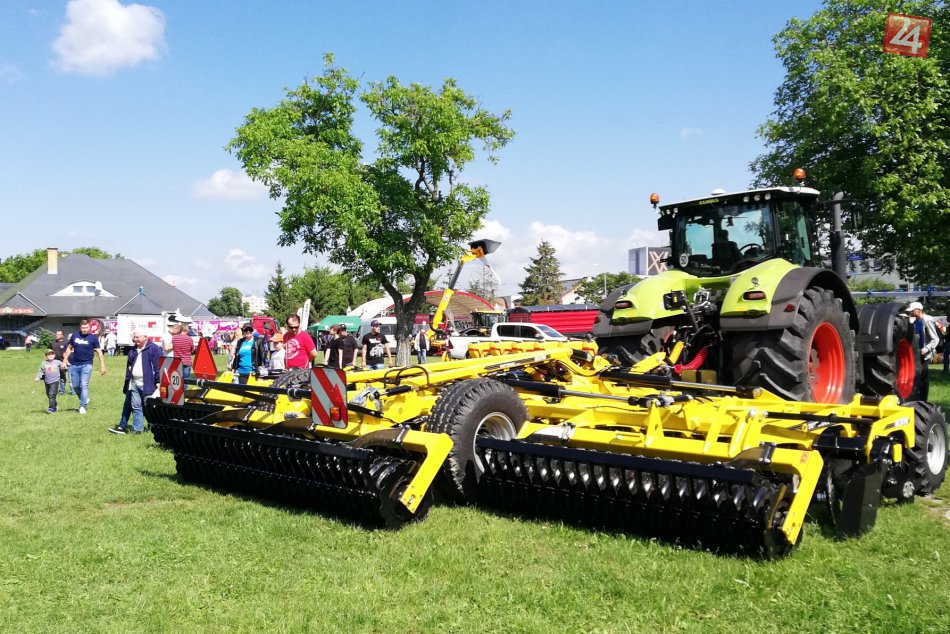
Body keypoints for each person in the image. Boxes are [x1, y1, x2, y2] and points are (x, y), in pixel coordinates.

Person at [108, 330, 162, 435]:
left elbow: (158, 366)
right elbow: (129, 365)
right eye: (134, 337)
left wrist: (158, 381)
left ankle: (156, 428)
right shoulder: (133, 350)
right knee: (136, 407)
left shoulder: (154, 349)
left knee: (149, 408)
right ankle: (137, 430)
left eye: (137, 337)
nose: (135, 339)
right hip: (134, 382)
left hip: (148, 384)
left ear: (146, 337)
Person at [63, 319, 106, 414]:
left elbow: (99, 352)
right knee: (75, 386)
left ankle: (83, 406)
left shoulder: (93, 338)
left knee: (84, 384)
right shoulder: (75, 335)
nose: (85, 329)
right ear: (80, 327)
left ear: (89, 328)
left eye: (86, 328)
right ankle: (84, 399)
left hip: (87, 364)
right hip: (74, 364)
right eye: (83, 328)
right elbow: (69, 348)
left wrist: (102, 365)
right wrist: (64, 361)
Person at [34, 349, 64, 413]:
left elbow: (63, 367)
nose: (50, 355)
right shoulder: (43, 363)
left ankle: (51, 408)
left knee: (51, 394)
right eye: (48, 354)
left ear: (54, 355)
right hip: (47, 381)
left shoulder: (57, 362)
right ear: (46, 356)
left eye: (52, 354)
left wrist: (65, 367)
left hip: (55, 381)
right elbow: (40, 371)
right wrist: (38, 377)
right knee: (48, 394)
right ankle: (55, 405)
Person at [50, 330, 72, 395]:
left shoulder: (66, 343)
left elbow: (68, 352)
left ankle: (65, 390)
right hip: (54, 363)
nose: (56, 335)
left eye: (58, 334)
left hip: (64, 362)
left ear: (62, 336)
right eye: (56, 334)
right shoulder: (52, 343)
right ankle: (58, 390)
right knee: (55, 377)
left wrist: (66, 362)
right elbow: (49, 352)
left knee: (64, 377)